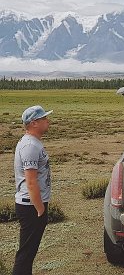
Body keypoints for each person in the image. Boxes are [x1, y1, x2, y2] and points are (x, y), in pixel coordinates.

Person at [12, 105, 53, 275]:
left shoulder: (33, 142)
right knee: (26, 253)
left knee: (29, 251)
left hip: (33, 205)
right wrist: (40, 209)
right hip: (31, 206)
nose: (47, 121)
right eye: (44, 118)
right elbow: (31, 182)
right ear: (34, 123)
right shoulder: (30, 146)